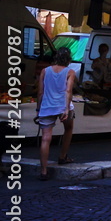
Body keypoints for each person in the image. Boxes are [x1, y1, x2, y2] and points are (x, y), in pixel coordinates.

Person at [37, 47, 77, 180]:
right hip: (63, 106)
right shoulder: (70, 72)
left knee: (45, 138)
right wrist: (66, 109)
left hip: (47, 106)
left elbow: (40, 92)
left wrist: (38, 109)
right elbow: (68, 91)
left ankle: (43, 171)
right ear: (68, 59)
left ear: (56, 58)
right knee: (69, 128)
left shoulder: (45, 71)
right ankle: (63, 156)